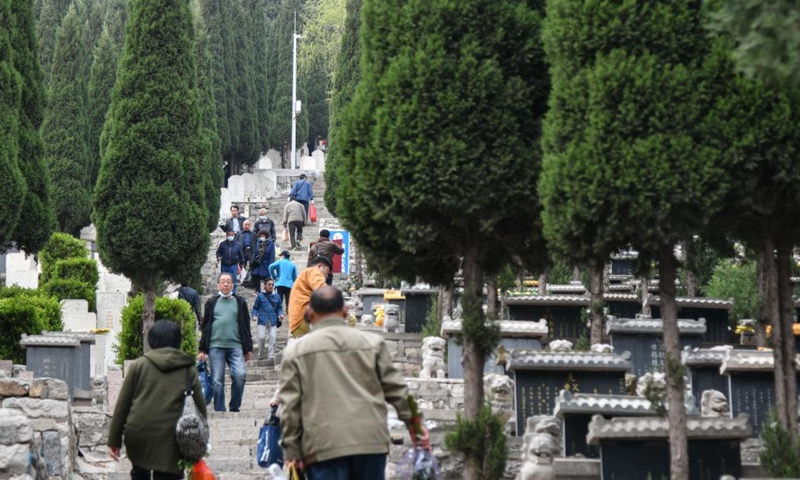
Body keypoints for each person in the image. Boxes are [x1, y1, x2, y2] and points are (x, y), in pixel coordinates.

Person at [279, 287, 429, 479]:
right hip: (370, 441)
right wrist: (417, 428)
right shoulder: (373, 344)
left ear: (309, 314)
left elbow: (290, 407)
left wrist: (291, 451)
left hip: (323, 446)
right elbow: (399, 391)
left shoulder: (296, 352)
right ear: (345, 311)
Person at [108, 320, 207, 479]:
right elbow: (200, 408)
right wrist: (199, 441)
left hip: (139, 432)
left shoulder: (139, 366)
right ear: (178, 342)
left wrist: (114, 440)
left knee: (140, 472)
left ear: (151, 341)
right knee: (169, 474)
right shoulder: (188, 369)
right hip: (173, 436)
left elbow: (123, 405)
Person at [198, 273, 253, 413]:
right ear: (218, 285)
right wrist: (202, 349)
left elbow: (246, 325)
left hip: (236, 345)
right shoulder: (211, 302)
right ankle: (220, 410)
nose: (226, 284)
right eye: (223, 282)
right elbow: (206, 327)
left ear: (233, 284)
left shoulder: (240, 302)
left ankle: (234, 406)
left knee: (240, 375)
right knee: (217, 381)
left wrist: (248, 348)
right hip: (215, 345)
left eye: (229, 281)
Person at [288, 256, 331, 338]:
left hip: (296, 324)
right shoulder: (313, 271)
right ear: (320, 266)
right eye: (326, 272)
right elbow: (321, 289)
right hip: (305, 320)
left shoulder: (304, 275)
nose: (326, 276)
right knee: (349, 319)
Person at [251, 278, 283, 360]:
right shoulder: (260, 296)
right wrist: (254, 315)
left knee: (273, 337)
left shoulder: (277, 296)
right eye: (269, 284)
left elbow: (279, 308)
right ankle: (261, 354)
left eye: (272, 284)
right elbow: (255, 308)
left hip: (273, 320)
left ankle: (271, 355)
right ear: (264, 285)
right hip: (262, 319)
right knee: (261, 337)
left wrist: (280, 314)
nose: (271, 286)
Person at [250, 229, 275, 294]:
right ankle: (257, 290)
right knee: (255, 275)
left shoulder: (270, 244)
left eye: (263, 236)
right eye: (260, 236)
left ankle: (267, 290)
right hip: (258, 263)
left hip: (266, 263)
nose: (262, 237)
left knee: (266, 278)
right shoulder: (258, 243)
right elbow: (255, 252)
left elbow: (272, 256)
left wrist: (271, 265)